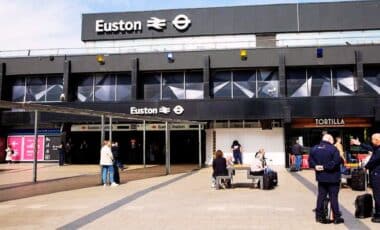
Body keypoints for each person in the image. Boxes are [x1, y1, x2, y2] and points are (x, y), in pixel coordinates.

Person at [309, 134, 344, 224]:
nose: (333, 141)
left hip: (321, 178)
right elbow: (336, 162)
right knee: (333, 198)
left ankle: (319, 216)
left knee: (321, 196)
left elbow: (310, 161)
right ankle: (336, 217)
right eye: (332, 139)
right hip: (333, 178)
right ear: (329, 139)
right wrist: (325, 167)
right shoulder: (333, 149)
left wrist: (316, 166)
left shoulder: (314, 148)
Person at [351, 133, 380, 223]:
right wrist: (360, 144)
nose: (371, 141)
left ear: (377, 140)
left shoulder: (379, 150)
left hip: (377, 175)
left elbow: (374, 160)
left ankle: (378, 215)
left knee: (377, 195)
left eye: (372, 139)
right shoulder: (377, 148)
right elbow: (370, 148)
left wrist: (365, 166)